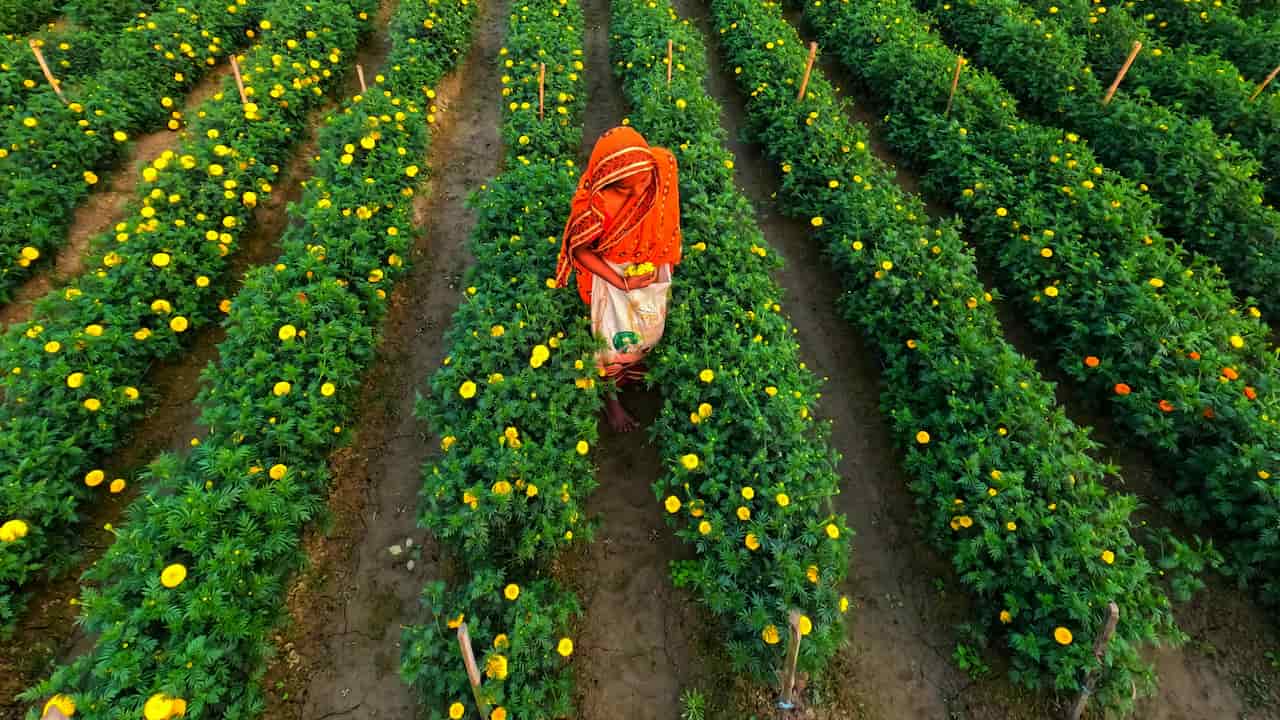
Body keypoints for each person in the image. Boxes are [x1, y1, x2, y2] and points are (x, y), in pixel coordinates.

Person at [556, 126, 682, 432]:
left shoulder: (661, 168)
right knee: (611, 342)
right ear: (609, 182)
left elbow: (667, 220)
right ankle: (612, 402)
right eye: (626, 188)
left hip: (649, 269)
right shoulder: (595, 203)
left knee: (648, 328)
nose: (639, 193)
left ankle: (635, 372)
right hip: (613, 277)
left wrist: (658, 262)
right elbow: (580, 249)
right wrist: (620, 281)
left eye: (643, 182)